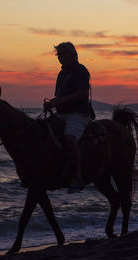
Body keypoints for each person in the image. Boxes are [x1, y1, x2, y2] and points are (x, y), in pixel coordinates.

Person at [45, 42, 92, 193]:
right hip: (62, 114)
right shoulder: (62, 73)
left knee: (70, 137)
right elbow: (60, 96)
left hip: (78, 113)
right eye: (58, 55)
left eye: (62, 54)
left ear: (72, 54)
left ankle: (78, 176)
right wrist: (52, 103)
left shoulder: (80, 70)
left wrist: (61, 101)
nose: (60, 58)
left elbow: (84, 92)